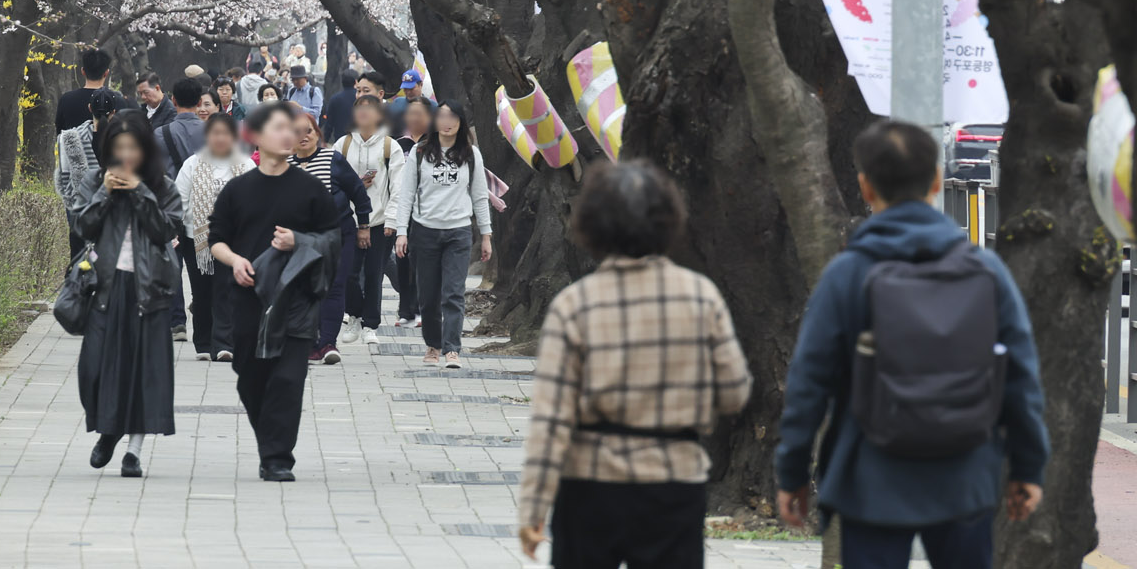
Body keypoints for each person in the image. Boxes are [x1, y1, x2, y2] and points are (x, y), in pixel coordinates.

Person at [774, 120, 1046, 569]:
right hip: (966, 475)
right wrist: (1027, 468)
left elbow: (808, 385)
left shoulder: (848, 275)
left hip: (871, 478)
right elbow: (1021, 377)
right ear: (937, 181)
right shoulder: (986, 271)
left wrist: (792, 475)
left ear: (865, 187)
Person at [518, 160, 752, 568]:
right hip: (674, 481)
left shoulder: (574, 305)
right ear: (668, 220)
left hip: (590, 484)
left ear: (592, 224)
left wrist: (534, 508)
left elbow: (550, 420)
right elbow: (735, 392)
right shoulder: (700, 297)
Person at [206, 103, 343, 482]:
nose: (290, 135)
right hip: (249, 298)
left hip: (296, 299)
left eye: (293, 129)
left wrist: (298, 241)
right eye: (280, 128)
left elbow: (333, 239)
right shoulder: (238, 189)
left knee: (288, 379)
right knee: (250, 377)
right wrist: (235, 261)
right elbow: (215, 240)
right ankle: (270, 442)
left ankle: (278, 457)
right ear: (257, 136)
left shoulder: (311, 189)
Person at [76, 114, 186, 480]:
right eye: (118, 148)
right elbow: (82, 225)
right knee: (94, 369)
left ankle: (133, 452)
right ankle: (109, 431)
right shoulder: (96, 181)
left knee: (144, 372)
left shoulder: (163, 186)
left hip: (148, 289)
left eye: (132, 148)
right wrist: (104, 193)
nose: (125, 156)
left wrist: (139, 189)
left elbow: (165, 229)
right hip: (105, 288)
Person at [388, 101, 490, 367]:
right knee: (428, 296)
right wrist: (402, 232)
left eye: (453, 116)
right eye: (442, 116)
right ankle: (433, 345)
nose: (447, 121)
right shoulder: (421, 153)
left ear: (461, 121)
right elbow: (406, 195)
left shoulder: (471, 154)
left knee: (453, 293)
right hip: (425, 232)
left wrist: (487, 234)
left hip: (458, 232)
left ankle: (452, 348)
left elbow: (479, 196)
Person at [289, 110, 370, 364]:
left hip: (339, 234)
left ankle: (328, 344)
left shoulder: (332, 158)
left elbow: (358, 192)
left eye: (308, 131)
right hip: (300, 239)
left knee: (334, 287)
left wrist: (364, 226)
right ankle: (310, 341)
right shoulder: (284, 164)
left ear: (317, 134)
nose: (303, 137)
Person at [175, 113, 255, 361]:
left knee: (226, 290)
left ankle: (224, 343)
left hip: (234, 240)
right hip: (196, 240)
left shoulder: (246, 165)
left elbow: (255, 201)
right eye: (215, 133)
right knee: (201, 292)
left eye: (225, 133)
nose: (220, 138)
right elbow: (179, 201)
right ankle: (203, 342)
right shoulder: (192, 164)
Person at [335, 93, 398, 345]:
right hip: (348, 219)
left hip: (379, 221)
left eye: (370, 109)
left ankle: (371, 324)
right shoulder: (343, 144)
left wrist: (392, 220)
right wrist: (355, 185)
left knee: (374, 274)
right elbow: (333, 181)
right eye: (359, 109)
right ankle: (354, 316)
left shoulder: (388, 146)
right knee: (348, 273)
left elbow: (398, 186)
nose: (364, 114)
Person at [56, 89, 121, 256]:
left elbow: (65, 183)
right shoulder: (126, 140)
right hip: (116, 213)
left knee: (81, 266)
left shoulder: (69, 138)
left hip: (81, 212)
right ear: (114, 111)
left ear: (89, 108)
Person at [389, 95, 432, 326]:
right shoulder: (399, 144)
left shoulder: (434, 145)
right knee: (402, 259)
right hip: (402, 209)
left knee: (422, 261)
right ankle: (405, 309)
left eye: (419, 114)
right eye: (411, 114)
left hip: (427, 211)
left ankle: (421, 309)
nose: (414, 118)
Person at [56, 47, 121, 132]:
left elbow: (60, 132)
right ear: (106, 73)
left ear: (83, 71)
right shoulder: (118, 100)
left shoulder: (66, 99)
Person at [159, 78, 208, 174]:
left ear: (173, 100)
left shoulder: (160, 133)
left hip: (173, 187)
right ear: (200, 102)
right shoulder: (212, 131)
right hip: (204, 187)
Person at [321, 68, 359, 143]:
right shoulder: (361, 98)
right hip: (359, 139)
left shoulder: (335, 99)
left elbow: (329, 124)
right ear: (356, 81)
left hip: (340, 140)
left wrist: (325, 140)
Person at [384, 67, 426, 133]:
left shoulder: (432, 106)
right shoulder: (397, 103)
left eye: (411, 89)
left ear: (421, 85)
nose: (408, 92)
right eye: (405, 89)